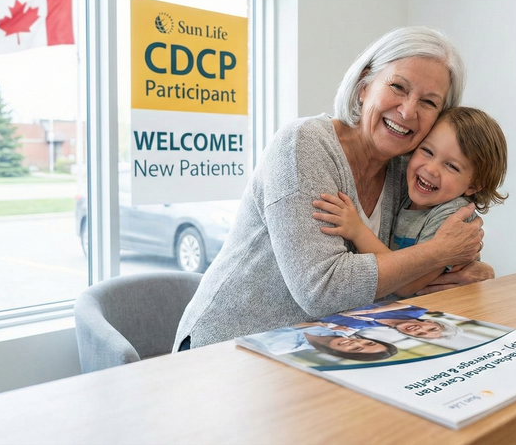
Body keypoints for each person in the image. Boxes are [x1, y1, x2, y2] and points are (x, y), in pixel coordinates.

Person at [174, 27, 494, 350]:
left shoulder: (407, 171)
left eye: (428, 102)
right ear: (364, 85)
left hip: (325, 349)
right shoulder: (303, 145)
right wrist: (439, 252)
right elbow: (323, 289)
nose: (409, 111)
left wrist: (467, 273)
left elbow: (408, 277)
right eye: (398, 86)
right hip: (230, 347)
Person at [313, 106, 508, 298]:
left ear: (473, 186)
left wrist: (357, 230)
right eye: (427, 151)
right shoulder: (408, 196)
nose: (431, 169)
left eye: (451, 166)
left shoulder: (452, 216)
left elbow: (405, 285)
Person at [243, 322, 398, 362]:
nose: (357, 344)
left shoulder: (285, 349)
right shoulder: (338, 328)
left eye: (357, 350)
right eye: (368, 343)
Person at [321, 302, 464, 340]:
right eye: (430, 329)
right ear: (432, 322)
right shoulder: (415, 310)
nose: (419, 330)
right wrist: (371, 311)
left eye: (421, 335)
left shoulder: (362, 327)